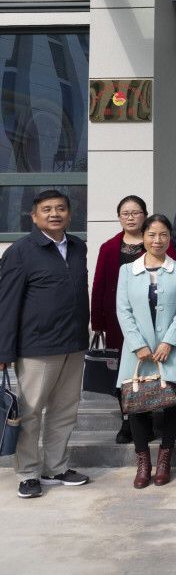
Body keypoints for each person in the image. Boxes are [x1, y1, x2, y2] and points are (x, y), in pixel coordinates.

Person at [0, 190, 91, 499]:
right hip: (37, 345)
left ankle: (56, 467)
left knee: (65, 410)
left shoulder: (78, 247)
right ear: (34, 216)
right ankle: (28, 473)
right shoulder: (20, 251)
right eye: (47, 209)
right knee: (30, 413)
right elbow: (7, 303)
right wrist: (4, 350)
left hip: (74, 343)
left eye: (61, 208)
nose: (55, 214)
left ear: (69, 214)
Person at [115, 214, 176, 488]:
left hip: (169, 348)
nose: (157, 240)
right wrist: (138, 344)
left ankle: (164, 460)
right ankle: (143, 463)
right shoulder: (128, 270)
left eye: (163, 235)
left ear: (170, 238)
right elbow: (123, 310)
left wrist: (168, 342)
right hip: (137, 350)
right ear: (143, 237)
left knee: (171, 403)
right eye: (151, 235)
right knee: (136, 406)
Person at [91, 195, 149, 444]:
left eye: (135, 213)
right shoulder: (108, 247)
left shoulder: (156, 242)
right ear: (119, 217)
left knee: (147, 368)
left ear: (145, 216)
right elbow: (99, 285)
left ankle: (146, 418)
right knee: (123, 372)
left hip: (150, 318)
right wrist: (97, 322)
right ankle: (127, 420)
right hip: (117, 320)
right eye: (125, 213)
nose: (130, 217)